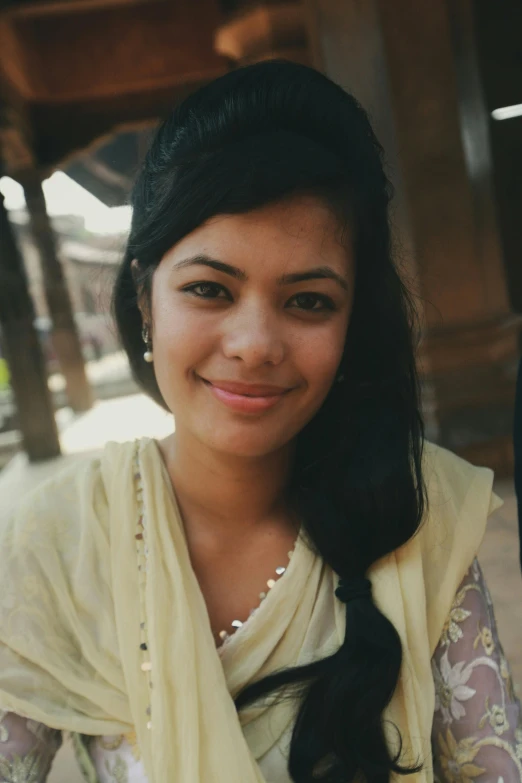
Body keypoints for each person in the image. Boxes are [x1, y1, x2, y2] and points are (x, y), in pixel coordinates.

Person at [0, 61, 519, 783]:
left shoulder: (419, 517)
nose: (254, 344)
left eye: (308, 301)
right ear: (145, 300)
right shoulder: (56, 540)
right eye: (210, 289)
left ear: (350, 324)